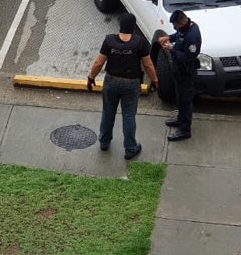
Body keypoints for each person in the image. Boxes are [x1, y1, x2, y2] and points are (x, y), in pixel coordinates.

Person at [86, 13, 159, 160]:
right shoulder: (140, 43)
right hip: (131, 84)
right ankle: (130, 148)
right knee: (129, 116)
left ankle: (104, 142)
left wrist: (91, 78)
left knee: (108, 112)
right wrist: (155, 81)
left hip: (111, 81)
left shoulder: (109, 41)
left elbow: (99, 63)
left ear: (120, 26)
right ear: (133, 27)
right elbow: (148, 64)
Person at [159, 10, 201, 142]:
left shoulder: (192, 36)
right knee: (179, 96)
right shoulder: (184, 28)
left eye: (175, 25)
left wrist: (172, 49)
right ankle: (180, 119)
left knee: (185, 100)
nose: (175, 28)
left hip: (186, 71)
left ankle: (185, 129)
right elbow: (178, 35)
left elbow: (188, 57)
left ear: (180, 23)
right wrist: (169, 38)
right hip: (178, 70)